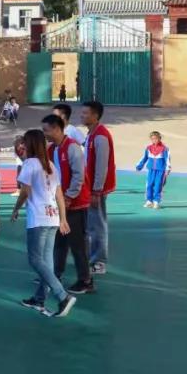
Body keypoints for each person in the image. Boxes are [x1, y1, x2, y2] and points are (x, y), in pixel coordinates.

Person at [10, 130, 77, 318]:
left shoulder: (30, 164)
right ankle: (39, 298)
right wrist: (62, 218)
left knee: (35, 259)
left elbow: (25, 191)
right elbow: (59, 195)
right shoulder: (50, 165)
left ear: (30, 144)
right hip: (52, 217)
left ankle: (62, 296)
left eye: (24, 142)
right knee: (47, 261)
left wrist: (16, 209)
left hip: (38, 218)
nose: (22, 145)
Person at [41, 114, 94, 296]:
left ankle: (86, 280)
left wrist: (69, 197)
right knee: (59, 242)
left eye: (46, 130)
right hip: (60, 203)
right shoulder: (51, 149)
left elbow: (79, 176)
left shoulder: (72, 148)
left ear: (57, 129)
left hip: (75, 204)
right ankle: (56, 274)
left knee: (77, 244)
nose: (44, 134)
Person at [82, 101, 115, 275]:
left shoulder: (101, 136)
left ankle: (99, 262)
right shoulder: (91, 134)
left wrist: (96, 190)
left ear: (95, 116)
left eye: (86, 113)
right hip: (89, 188)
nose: (82, 116)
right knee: (90, 224)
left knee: (97, 224)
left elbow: (102, 165)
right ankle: (91, 257)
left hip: (96, 190)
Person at [137, 131, 171, 209]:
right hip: (151, 170)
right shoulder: (148, 148)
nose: (154, 140)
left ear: (159, 138)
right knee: (149, 185)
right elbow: (144, 157)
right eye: (152, 139)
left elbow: (167, 159)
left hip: (161, 170)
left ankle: (156, 202)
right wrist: (139, 165)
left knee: (158, 185)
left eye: (156, 138)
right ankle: (149, 201)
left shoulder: (164, 148)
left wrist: (168, 168)